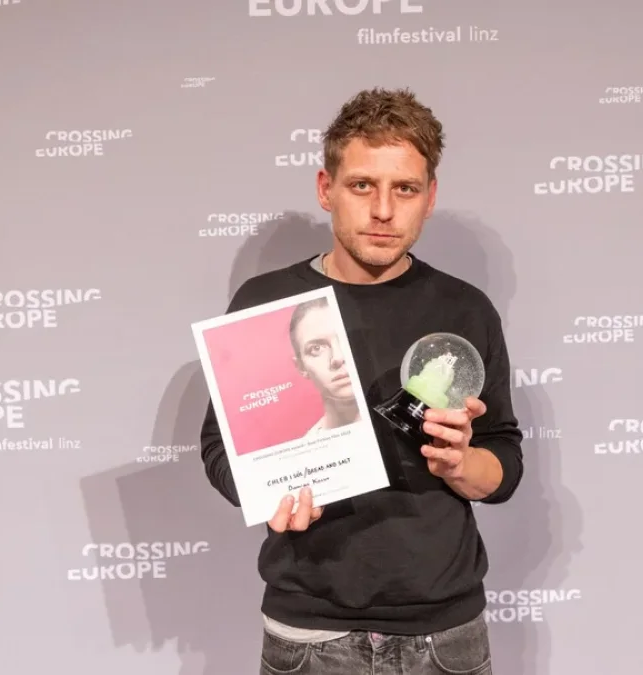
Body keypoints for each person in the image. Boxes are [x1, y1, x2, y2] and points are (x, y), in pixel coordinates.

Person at [199, 87, 523, 675]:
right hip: (308, 635)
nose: (383, 210)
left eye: (405, 189)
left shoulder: (466, 309)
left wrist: (461, 464)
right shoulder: (267, 303)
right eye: (362, 185)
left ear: (430, 197)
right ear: (326, 189)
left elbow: (503, 460)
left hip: (445, 637)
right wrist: (267, 494)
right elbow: (221, 448)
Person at [288, 297, 362, 435]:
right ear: (301, 367)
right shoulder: (308, 446)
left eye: (346, 339)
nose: (338, 357)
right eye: (316, 348)